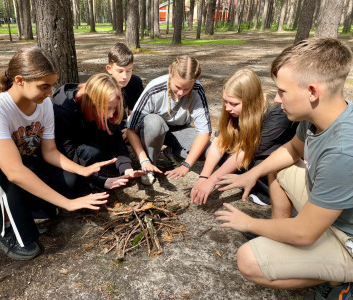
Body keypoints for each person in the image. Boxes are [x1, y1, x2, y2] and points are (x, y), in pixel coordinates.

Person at [215, 38, 353, 299]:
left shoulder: (343, 151)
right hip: (331, 213)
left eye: (282, 91)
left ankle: (338, 279)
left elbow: (304, 233)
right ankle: (280, 232)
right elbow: (291, 150)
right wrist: (251, 174)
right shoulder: (317, 116)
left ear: (312, 92)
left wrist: (249, 222)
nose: (277, 100)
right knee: (279, 168)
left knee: (248, 261)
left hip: (347, 239)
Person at [0, 47, 115, 261]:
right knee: (28, 243)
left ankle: (26, 208)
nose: (50, 93)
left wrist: (83, 170)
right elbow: (12, 171)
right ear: (20, 80)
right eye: (44, 87)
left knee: (68, 180)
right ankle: (5, 231)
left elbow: (49, 152)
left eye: (52, 86)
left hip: (19, 164)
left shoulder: (45, 104)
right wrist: (67, 204)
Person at [190, 69, 297, 205]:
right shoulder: (232, 111)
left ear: (250, 102)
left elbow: (247, 152)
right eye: (225, 102)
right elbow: (220, 141)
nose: (227, 108)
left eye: (234, 104)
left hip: (267, 157)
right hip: (246, 154)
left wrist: (212, 181)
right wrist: (203, 177)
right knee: (221, 155)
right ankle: (244, 179)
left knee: (259, 164)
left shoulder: (276, 114)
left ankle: (267, 194)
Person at [127, 55, 211, 185]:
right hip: (154, 128)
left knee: (208, 150)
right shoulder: (154, 89)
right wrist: (144, 160)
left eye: (186, 88)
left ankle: (172, 153)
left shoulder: (197, 89)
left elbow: (205, 133)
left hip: (180, 129)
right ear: (170, 73)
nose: (181, 93)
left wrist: (186, 165)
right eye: (177, 86)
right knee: (153, 122)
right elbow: (131, 130)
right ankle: (150, 166)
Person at [53, 73, 144, 189]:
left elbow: (116, 139)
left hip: (88, 138)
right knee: (76, 176)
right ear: (93, 103)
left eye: (114, 108)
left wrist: (126, 168)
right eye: (108, 108)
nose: (111, 113)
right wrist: (100, 180)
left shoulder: (103, 108)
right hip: (67, 154)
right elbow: (68, 154)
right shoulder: (63, 111)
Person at [106, 42, 144, 141]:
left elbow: (133, 112)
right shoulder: (103, 86)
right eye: (120, 71)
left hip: (124, 123)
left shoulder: (135, 82)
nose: (125, 77)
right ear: (109, 69)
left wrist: (130, 128)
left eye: (129, 71)